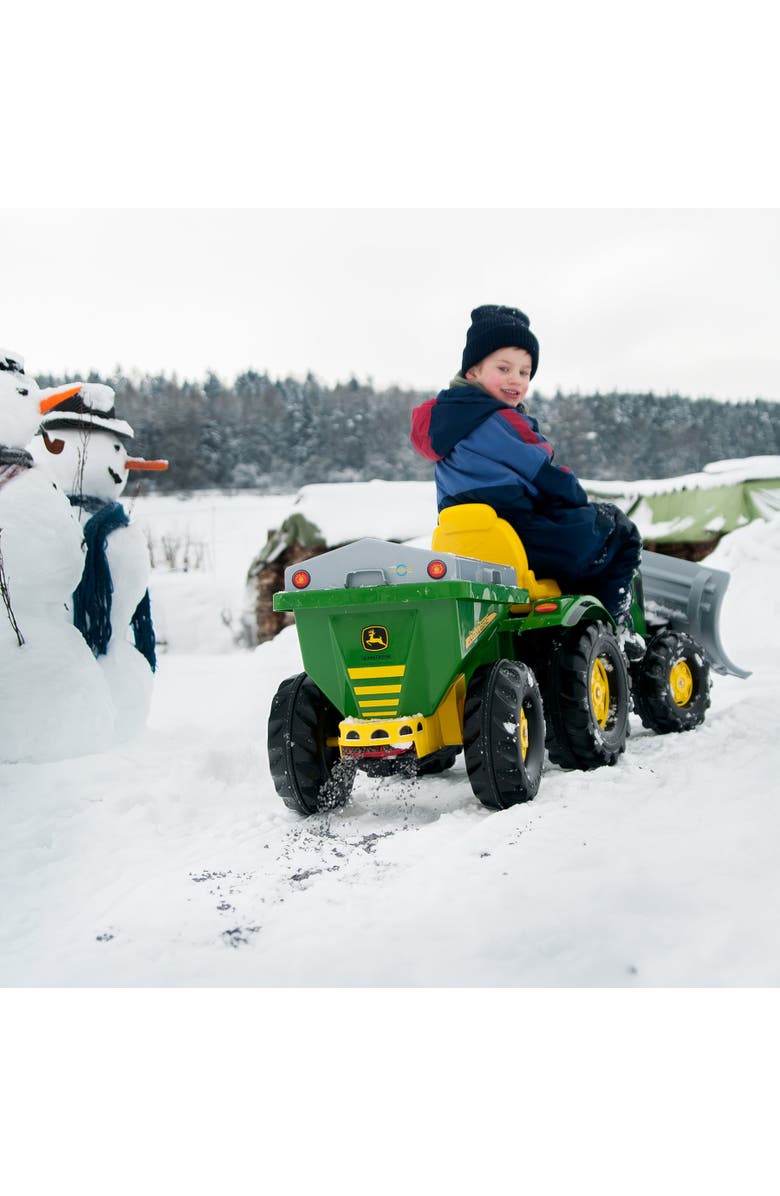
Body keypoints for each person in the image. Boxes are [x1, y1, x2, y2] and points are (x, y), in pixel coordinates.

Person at [410, 304, 642, 629]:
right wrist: (579, 502)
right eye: (504, 368)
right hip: (520, 538)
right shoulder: (502, 419)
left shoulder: (445, 426)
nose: (515, 380)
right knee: (618, 530)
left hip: (465, 548)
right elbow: (549, 479)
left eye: (524, 372)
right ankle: (613, 627)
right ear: (472, 372)